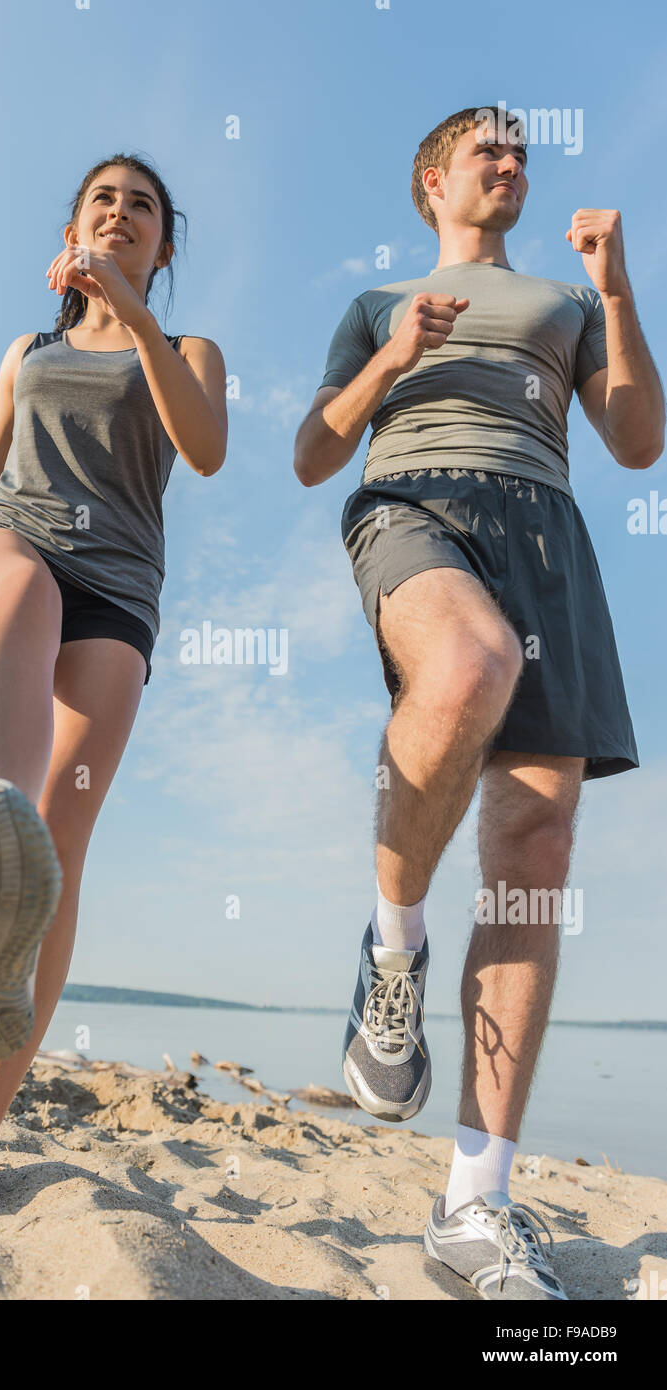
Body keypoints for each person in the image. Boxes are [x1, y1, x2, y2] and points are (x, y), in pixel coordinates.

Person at [293, 106, 663, 1299]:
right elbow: (310, 451)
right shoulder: (375, 304)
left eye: (521, 152)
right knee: (464, 668)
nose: (509, 164)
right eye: (486, 152)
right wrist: (394, 358)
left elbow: (637, 440)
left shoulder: (563, 301)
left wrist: (613, 290)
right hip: (414, 505)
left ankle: (474, 1203)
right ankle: (392, 948)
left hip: (544, 526)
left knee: (535, 844)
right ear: (431, 180)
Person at [0, 154, 227, 1222]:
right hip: (10, 538)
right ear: (71, 231)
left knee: (62, 862)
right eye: (103, 200)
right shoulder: (28, 349)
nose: (121, 213)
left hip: (119, 588)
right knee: (15, 594)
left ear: (161, 249)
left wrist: (138, 324)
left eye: (144, 207)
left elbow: (201, 450)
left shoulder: (187, 348)